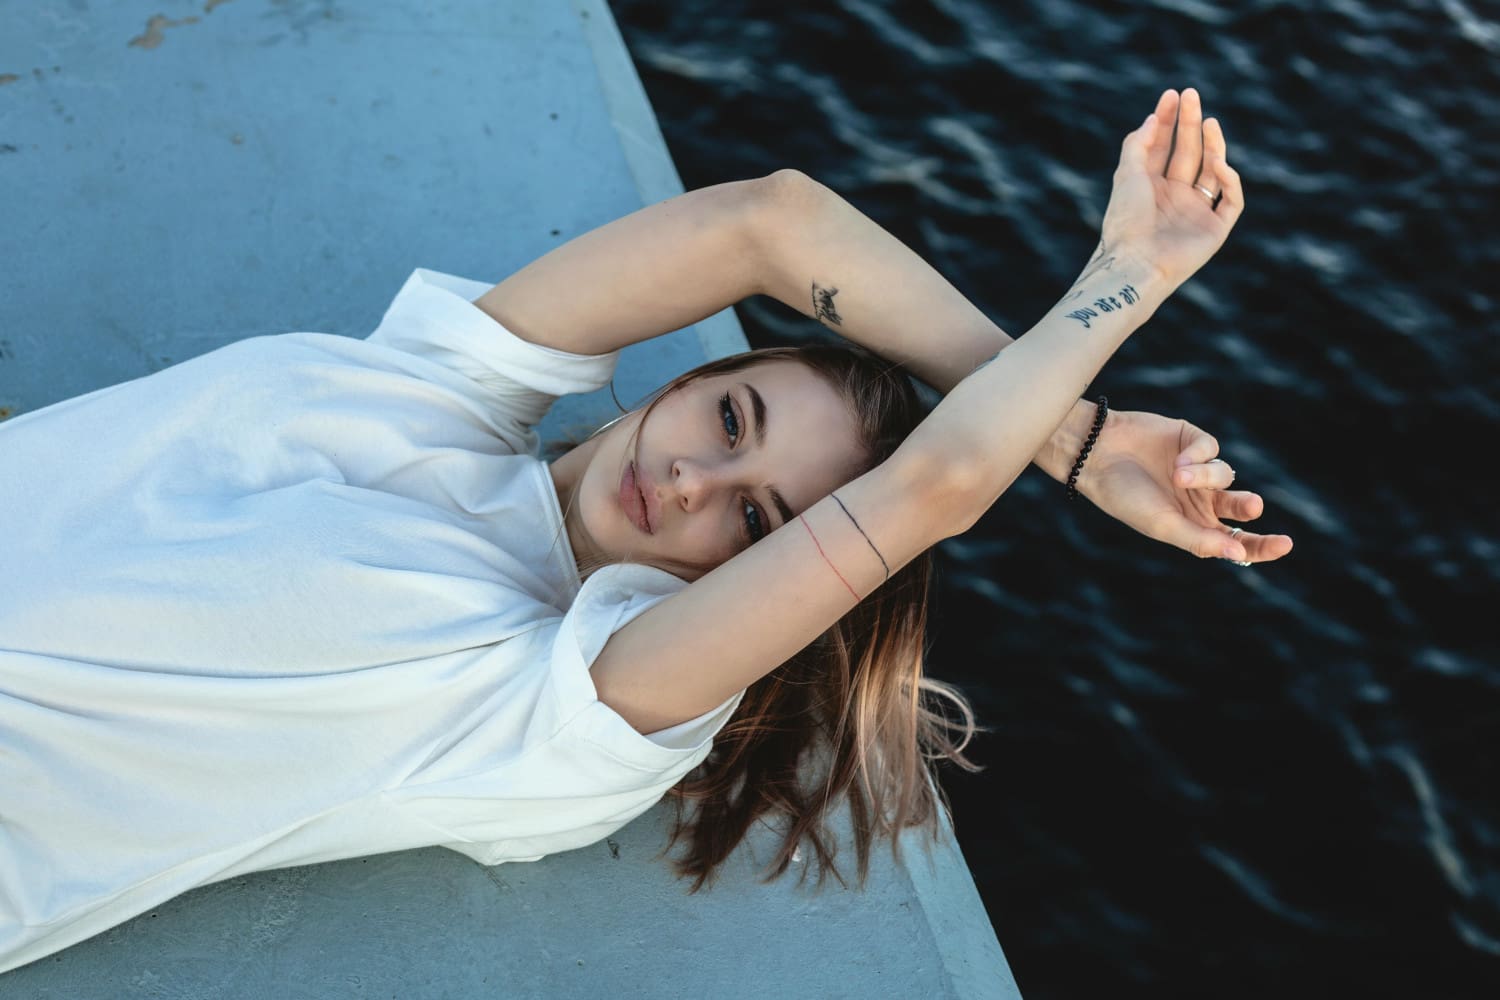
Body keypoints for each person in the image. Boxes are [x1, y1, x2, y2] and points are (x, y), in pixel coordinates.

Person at [0, 87, 1290, 972]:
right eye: (728, 422)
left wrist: (1130, 276)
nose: (689, 486)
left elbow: (931, 491)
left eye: (755, 521)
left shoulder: (558, 710)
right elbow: (767, 223)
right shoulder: (439, 392)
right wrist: (1074, 432)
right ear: (676, 382)